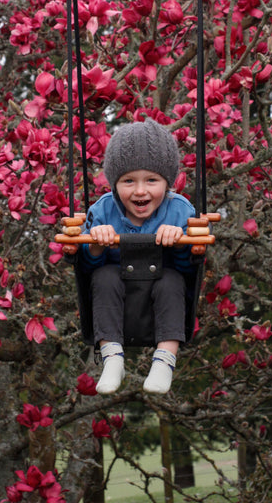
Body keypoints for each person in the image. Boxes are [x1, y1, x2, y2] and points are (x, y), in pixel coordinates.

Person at [81, 117, 195, 395]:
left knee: (172, 280)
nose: (140, 190)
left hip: (160, 292)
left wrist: (179, 243)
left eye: (152, 180)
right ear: (114, 183)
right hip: (117, 292)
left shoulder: (180, 211)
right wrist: (97, 244)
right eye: (128, 181)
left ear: (167, 182)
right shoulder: (103, 210)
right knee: (102, 275)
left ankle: (165, 359)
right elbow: (85, 264)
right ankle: (112, 357)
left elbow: (189, 265)